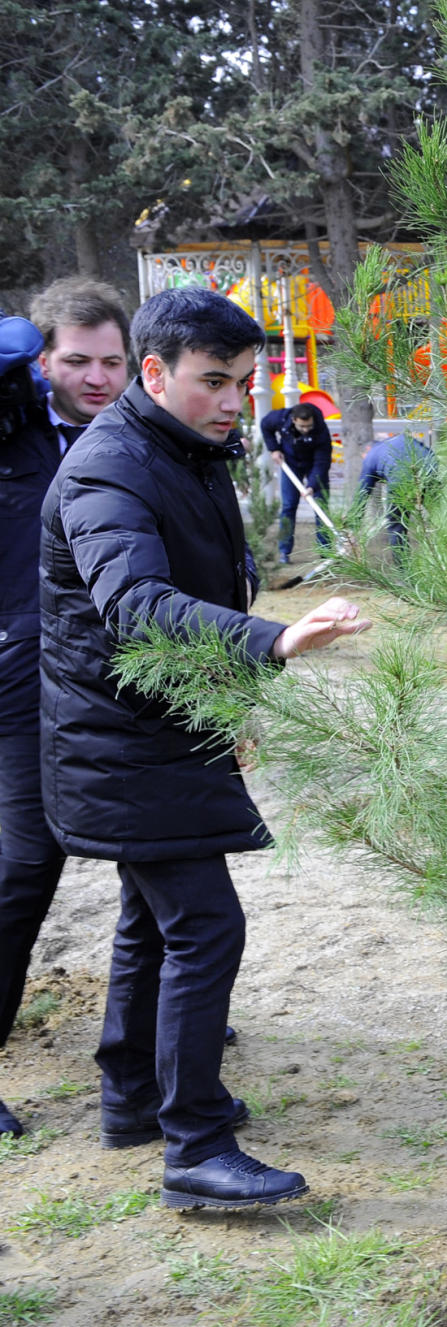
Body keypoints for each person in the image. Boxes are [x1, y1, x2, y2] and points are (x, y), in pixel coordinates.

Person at [41, 287, 369, 1204]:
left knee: (152, 921)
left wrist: (234, 708)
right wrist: (272, 640)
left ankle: (135, 1095)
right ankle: (194, 1146)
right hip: (121, 740)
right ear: (154, 372)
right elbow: (137, 607)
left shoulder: (183, 449)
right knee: (204, 925)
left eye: (245, 380)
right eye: (213, 380)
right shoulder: (110, 467)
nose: (234, 401)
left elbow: (210, 574)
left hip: (163, 729)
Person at [0, 278, 133, 1139]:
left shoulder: (144, 438)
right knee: (22, 867)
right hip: (25, 681)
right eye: (75, 360)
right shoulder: (11, 434)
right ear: (40, 360)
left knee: (155, 862)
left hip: (128, 674)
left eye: (112, 361)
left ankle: (152, 1036)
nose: (95, 377)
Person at [260, 401, 333, 563]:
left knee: (321, 506)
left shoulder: (321, 431)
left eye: (309, 426)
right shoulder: (280, 418)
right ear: (294, 420)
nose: (306, 430)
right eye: (302, 427)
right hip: (290, 464)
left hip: (314, 465)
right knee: (288, 507)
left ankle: (327, 553)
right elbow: (265, 425)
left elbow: (322, 462)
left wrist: (312, 485)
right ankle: (284, 552)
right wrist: (274, 448)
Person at [355, 431, 435, 551]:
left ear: (367, 449)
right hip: (431, 470)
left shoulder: (371, 455)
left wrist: (352, 524)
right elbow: (428, 452)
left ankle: (404, 568)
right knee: (442, 517)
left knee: (396, 527)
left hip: (400, 480)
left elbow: (362, 492)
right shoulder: (399, 441)